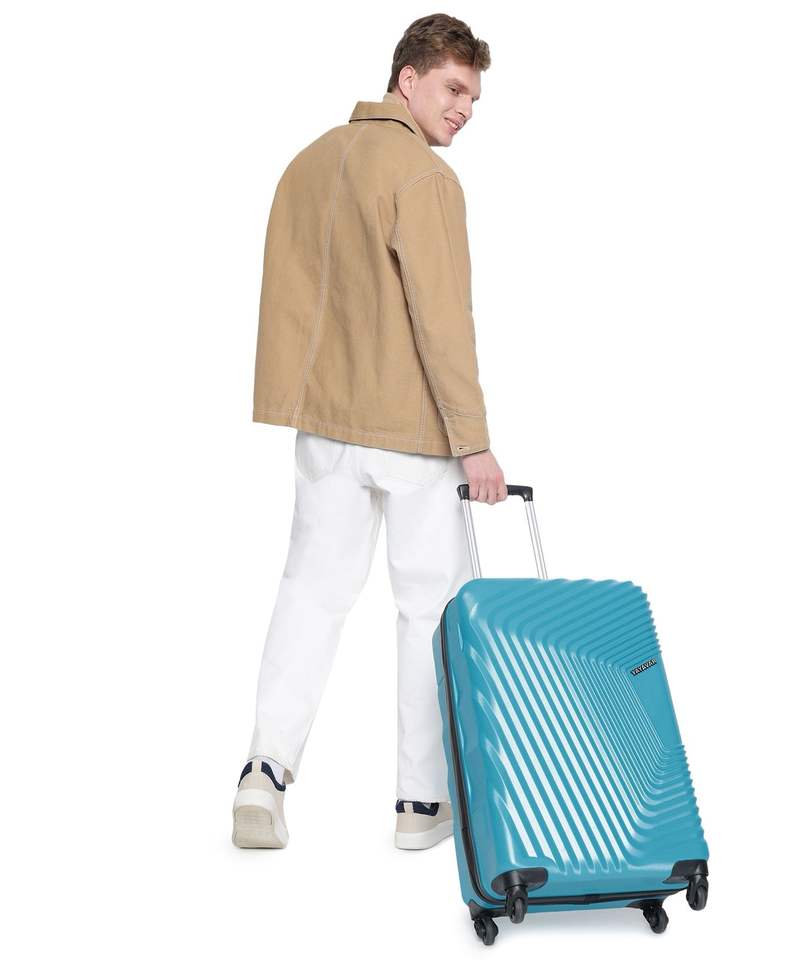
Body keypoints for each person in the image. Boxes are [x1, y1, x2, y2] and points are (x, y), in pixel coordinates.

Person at [232, 14, 506, 851]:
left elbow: (289, 303)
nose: (465, 109)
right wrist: (475, 441)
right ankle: (421, 806)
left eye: (474, 97)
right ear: (407, 79)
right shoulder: (423, 178)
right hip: (413, 432)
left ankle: (263, 772)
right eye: (453, 88)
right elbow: (443, 324)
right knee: (429, 608)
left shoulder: (307, 165)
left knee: (310, 595)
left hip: (324, 427)